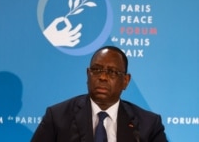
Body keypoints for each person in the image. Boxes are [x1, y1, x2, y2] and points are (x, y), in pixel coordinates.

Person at [30, 46, 168, 142]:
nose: (102, 77)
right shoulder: (57, 118)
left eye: (112, 72)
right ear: (88, 74)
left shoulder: (148, 125)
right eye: (96, 70)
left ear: (125, 81)